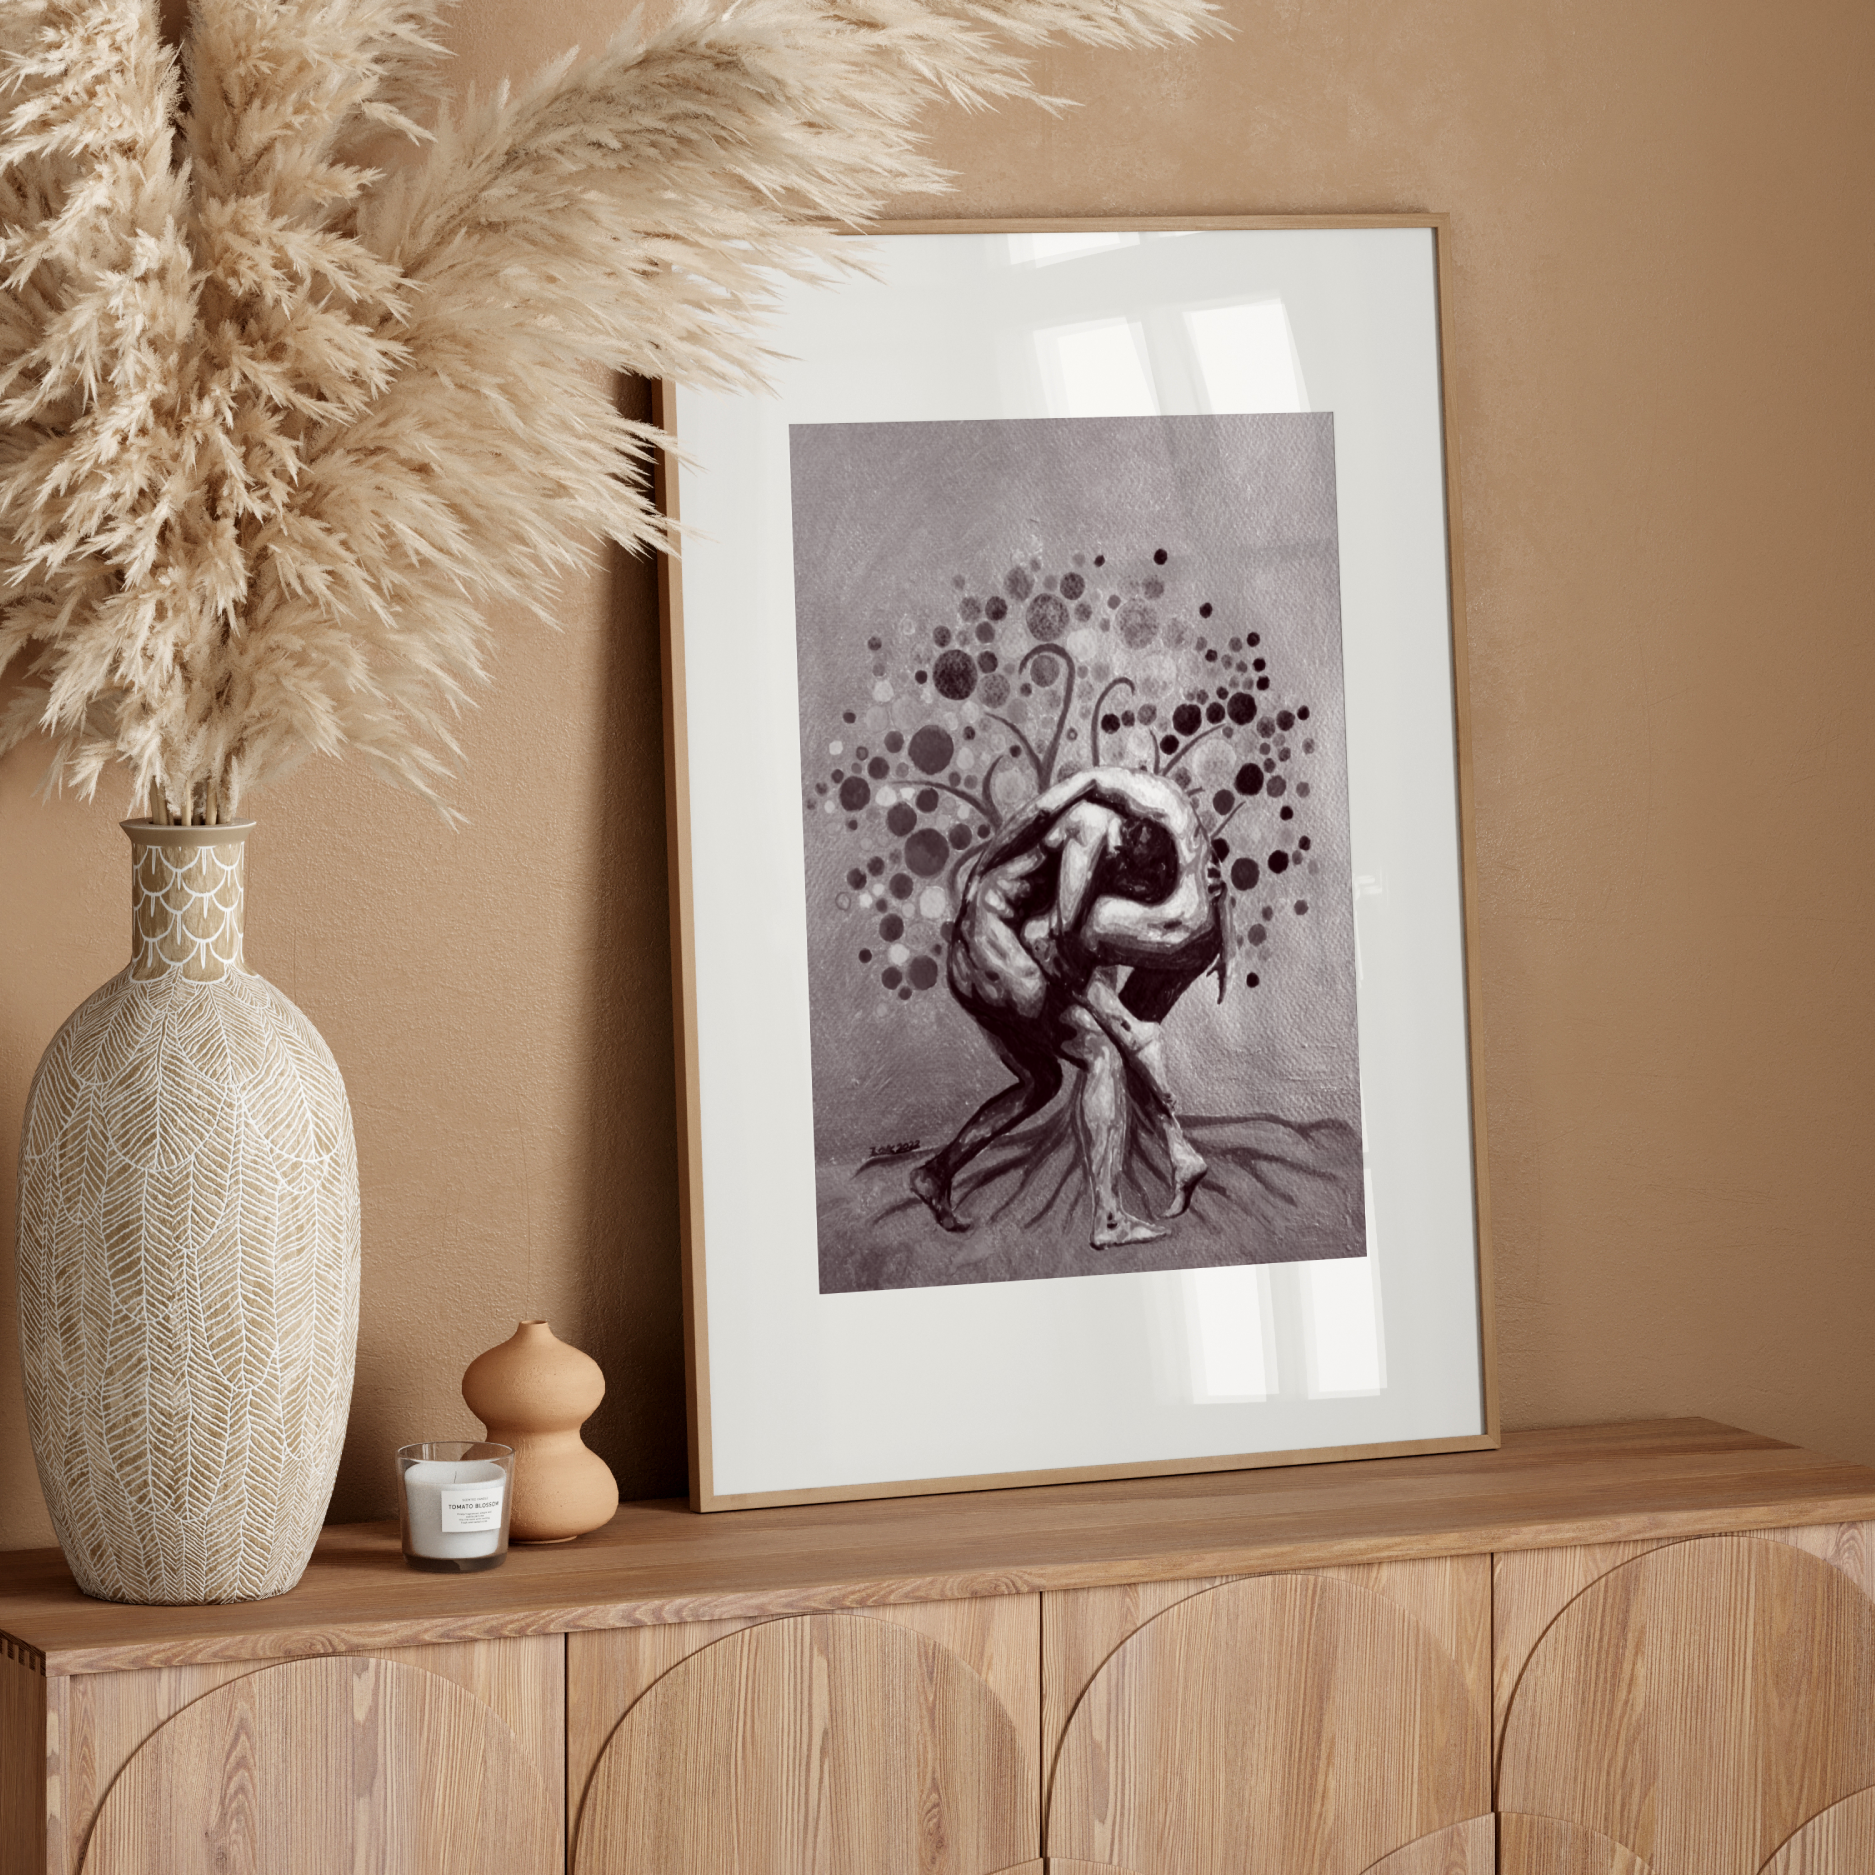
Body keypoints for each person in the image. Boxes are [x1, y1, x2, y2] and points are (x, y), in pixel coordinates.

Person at [910, 766, 1223, 1247]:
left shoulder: (1077, 825)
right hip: (997, 957)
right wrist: (1122, 1025)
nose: (1138, 887)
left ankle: (937, 1172)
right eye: (1146, 875)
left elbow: (1033, 832)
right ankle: (1110, 1218)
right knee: (1103, 1054)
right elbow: (1061, 938)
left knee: (1041, 1083)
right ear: (1139, 837)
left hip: (977, 959)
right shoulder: (1093, 827)